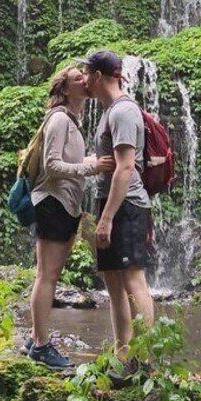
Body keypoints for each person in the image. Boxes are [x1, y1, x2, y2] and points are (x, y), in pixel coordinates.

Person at [26, 65, 115, 369]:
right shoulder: (60, 119)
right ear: (65, 89)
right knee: (46, 276)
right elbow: (52, 165)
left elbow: (68, 161)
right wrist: (91, 167)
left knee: (49, 275)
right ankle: (40, 345)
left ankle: (35, 336)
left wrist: (94, 161)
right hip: (53, 203)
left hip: (64, 205)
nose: (85, 80)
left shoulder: (71, 121)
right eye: (78, 78)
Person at [78, 50, 155, 364]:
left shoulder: (123, 111)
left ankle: (144, 359)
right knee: (113, 284)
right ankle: (123, 355)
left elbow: (125, 168)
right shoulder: (110, 111)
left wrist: (107, 218)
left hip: (127, 206)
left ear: (98, 76)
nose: (83, 80)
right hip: (110, 204)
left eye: (86, 73)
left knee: (134, 281)